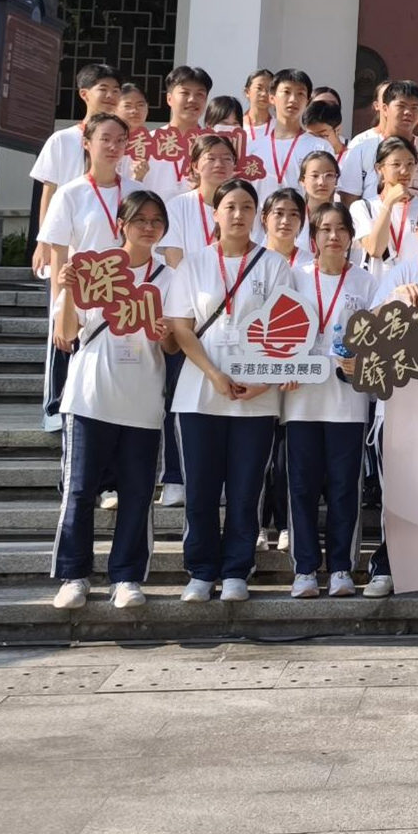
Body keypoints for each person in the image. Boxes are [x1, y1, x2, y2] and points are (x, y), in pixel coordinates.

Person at [161, 180, 285, 603]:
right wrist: (213, 373)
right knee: (200, 488)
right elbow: (181, 327)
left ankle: (236, 570)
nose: (237, 214)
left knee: (246, 489)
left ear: (257, 216)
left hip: (256, 394)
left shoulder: (273, 265)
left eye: (247, 207)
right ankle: (200, 570)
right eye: (229, 206)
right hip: (200, 392)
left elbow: (286, 330)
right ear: (214, 213)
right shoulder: (194, 264)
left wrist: (264, 381)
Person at [49, 186, 172, 611]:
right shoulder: (92, 269)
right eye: (140, 220)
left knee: (137, 494)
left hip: (143, 401)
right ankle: (74, 575)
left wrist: (166, 334)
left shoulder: (169, 277)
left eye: (156, 221)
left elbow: (172, 345)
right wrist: (68, 289)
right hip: (89, 398)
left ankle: (126, 577)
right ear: (122, 224)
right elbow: (66, 334)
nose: (148, 228)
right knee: (80, 490)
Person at [285, 202, 374, 599]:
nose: (333, 236)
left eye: (341, 229)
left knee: (343, 487)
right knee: (301, 486)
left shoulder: (366, 281)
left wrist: (364, 360)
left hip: (347, 400)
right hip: (300, 398)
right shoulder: (295, 277)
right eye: (325, 229)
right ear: (313, 238)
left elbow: (378, 337)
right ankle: (304, 568)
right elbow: (279, 331)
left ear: (351, 237)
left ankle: (341, 568)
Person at [35, 112, 135, 432]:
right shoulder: (70, 193)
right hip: (82, 292)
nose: (114, 147)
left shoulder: (136, 192)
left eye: (120, 140)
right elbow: (59, 253)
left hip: (123, 292)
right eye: (105, 139)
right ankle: (60, 414)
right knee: (74, 361)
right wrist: (59, 308)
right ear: (87, 143)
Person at [29, 62, 123, 240]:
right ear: (84, 94)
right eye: (103, 89)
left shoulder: (122, 141)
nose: (110, 95)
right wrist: (45, 241)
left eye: (116, 90)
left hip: (110, 232)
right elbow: (49, 192)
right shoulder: (62, 140)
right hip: (68, 233)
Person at [146, 65, 213, 202]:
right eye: (185, 93)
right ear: (169, 99)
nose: (192, 99)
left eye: (200, 94)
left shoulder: (213, 145)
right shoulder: (148, 141)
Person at [351, 138, 418, 264]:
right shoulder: (363, 207)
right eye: (396, 164)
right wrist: (388, 203)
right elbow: (375, 250)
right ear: (379, 168)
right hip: (378, 276)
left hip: (415, 276)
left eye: (410, 164)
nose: (405, 171)